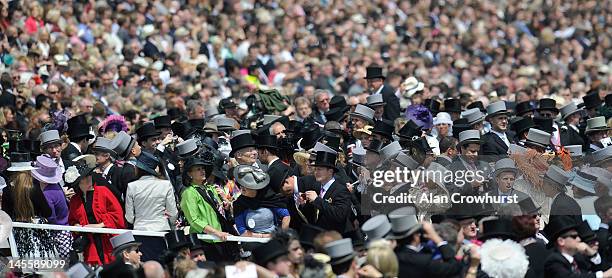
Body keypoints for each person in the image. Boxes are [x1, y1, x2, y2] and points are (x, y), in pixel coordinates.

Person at [67, 155, 126, 265]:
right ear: (78, 183)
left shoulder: (103, 191)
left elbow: (117, 214)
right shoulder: (75, 200)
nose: (89, 179)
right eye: (85, 178)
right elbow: (72, 220)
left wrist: (100, 225)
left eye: (89, 176)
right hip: (89, 242)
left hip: (107, 240)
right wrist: (77, 227)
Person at [125, 152, 178, 262]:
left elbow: (129, 217)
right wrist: (171, 224)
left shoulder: (131, 186)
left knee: (145, 265)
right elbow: (173, 213)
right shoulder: (165, 184)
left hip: (140, 231)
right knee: (161, 265)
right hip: (161, 231)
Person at [180, 156, 234, 262]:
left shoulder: (211, 189)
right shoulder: (189, 192)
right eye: (198, 169)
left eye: (203, 168)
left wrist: (226, 206)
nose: (202, 171)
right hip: (205, 240)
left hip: (221, 237)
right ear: (189, 174)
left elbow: (220, 212)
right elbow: (194, 220)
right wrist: (216, 233)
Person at [303, 151, 354, 236]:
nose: (316, 172)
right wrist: (303, 205)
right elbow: (314, 216)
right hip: (321, 235)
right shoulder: (316, 187)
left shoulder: (341, 190)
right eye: (315, 169)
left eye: (319, 169)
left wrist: (317, 200)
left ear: (330, 171)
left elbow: (339, 215)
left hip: (338, 236)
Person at [30, 155, 72, 259]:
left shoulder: (48, 193)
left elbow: (51, 217)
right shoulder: (56, 186)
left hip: (58, 233)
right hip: (65, 229)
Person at [544, 215, 612, 277]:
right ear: (561, 241)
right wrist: (602, 275)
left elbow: (597, 269)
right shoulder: (554, 261)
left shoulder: (578, 259)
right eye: (574, 236)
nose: (579, 239)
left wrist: (592, 254)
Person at [232, 165, 290, 238]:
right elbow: (242, 230)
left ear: (256, 188)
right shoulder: (239, 204)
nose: (242, 189)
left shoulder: (270, 199)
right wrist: (261, 236)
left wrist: (281, 235)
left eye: (247, 186)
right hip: (252, 241)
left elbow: (286, 216)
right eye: (241, 185)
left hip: (274, 240)